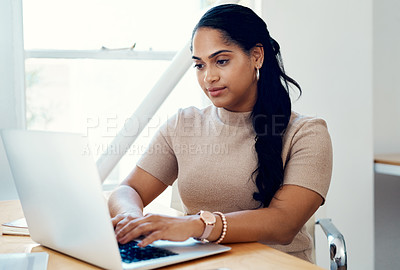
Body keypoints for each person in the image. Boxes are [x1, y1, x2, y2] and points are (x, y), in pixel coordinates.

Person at [108, 3, 332, 263]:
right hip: (197, 265)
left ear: (257, 56)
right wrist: (130, 218)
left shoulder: (307, 133)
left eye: (221, 61)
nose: (208, 77)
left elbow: (284, 224)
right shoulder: (183, 124)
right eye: (199, 66)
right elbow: (128, 189)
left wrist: (196, 225)